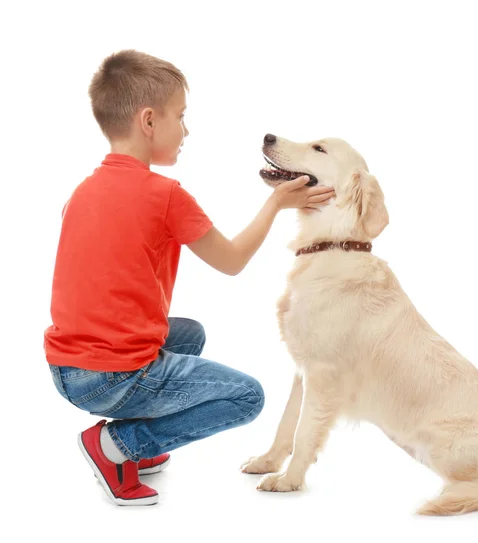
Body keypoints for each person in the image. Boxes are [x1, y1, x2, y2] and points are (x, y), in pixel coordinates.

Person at [44, 49, 335, 506]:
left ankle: (137, 443)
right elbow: (233, 260)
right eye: (181, 116)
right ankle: (117, 447)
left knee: (189, 334)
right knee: (247, 398)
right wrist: (276, 203)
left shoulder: (82, 190)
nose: (186, 129)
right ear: (148, 121)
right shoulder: (165, 196)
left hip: (66, 367)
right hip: (112, 379)